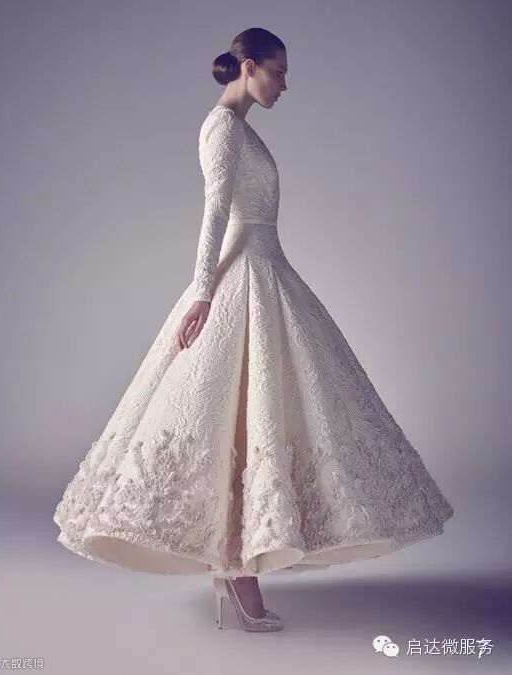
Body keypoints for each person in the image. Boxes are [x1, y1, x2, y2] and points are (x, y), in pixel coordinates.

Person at [53, 27, 454, 633]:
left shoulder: (242, 129)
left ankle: (236, 571)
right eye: (278, 71)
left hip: (267, 271)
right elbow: (215, 212)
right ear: (248, 66)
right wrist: (202, 293)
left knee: (261, 416)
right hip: (242, 277)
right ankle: (240, 576)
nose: (285, 83)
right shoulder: (222, 129)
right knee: (240, 416)